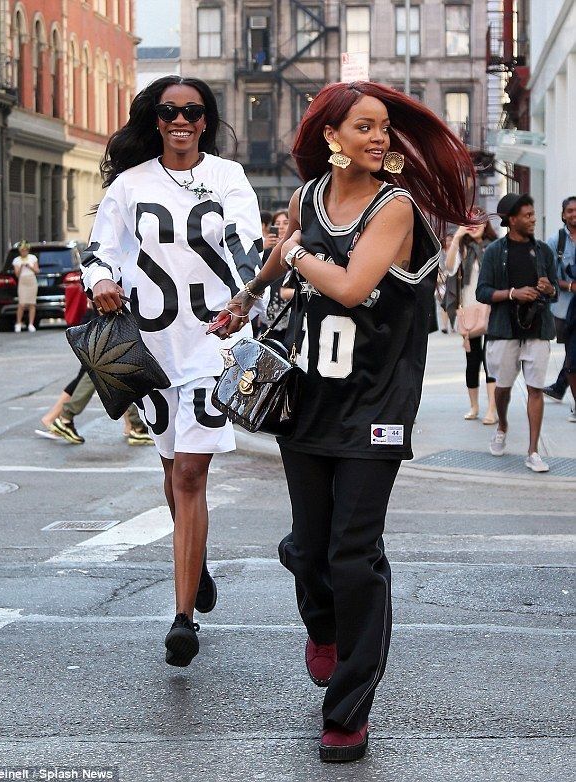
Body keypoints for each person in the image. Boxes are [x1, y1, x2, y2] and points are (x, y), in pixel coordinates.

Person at [216, 80, 476, 763]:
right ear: (332, 136)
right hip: (308, 399)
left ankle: (348, 711)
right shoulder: (308, 199)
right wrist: (246, 297)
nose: (380, 137)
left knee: (353, 556)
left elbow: (353, 285)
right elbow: (283, 256)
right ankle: (323, 626)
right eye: (365, 126)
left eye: (384, 127)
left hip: (376, 404)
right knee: (308, 548)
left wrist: (297, 251)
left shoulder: (395, 207)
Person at [80, 75, 262, 667]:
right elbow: (99, 249)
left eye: (192, 111)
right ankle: (196, 559)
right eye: (168, 111)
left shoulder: (229, 178)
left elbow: (245, 247)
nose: (180, 120)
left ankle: (182, 619)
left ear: (205, 119)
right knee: (170, 474)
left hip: (214, 344)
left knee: (189, 475)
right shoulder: (130, 186)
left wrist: (245, 301)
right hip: (151, 350)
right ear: (154, 119)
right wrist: (101, 279)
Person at [476, 193, 558, 472]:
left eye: (533, 214)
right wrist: (513, 293)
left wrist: (550, 289)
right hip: (504, 330)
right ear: (512, 220)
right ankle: (502, 425)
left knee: (536, 389)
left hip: (538, 329)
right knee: (503, 388)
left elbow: (554, 293)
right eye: (527, 215)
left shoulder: (544, 251)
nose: (533, 219)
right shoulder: (495, 252)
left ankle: (533, 451)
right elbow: (482, 292)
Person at [445, 217, 498, 423]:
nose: (475, 226)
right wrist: (457, 237)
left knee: (490, 361)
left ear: (486, 225)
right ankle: (474, 407)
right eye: (470, 223)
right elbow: (449, 268)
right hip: (469, 312)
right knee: (472, 361)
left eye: (479, 222)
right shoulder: (462, 249)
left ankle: (491, 409)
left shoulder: (493, 248)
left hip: (492, 310)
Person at [544, 196, 576, 420]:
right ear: (563, 214)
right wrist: (571, 285)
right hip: (565, 309)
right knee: (572, 355)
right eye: (570, 211)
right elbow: (550, 275)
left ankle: (559, 387)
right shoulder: (556, 241)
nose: (574, 214)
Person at [263, 209, 295, 343]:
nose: (281, 227)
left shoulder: (298, 249)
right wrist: (263, 248)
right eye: (277, 223)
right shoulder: (267, 252)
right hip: (271, 318)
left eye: (286, 222)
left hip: (292, 316)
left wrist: (287, 293)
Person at [12, 241, 39, 332]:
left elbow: (37, 270)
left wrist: (29, 266)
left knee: (32, 303)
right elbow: (16, 274)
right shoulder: (17, 260)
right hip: (23, 281)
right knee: (22, 303)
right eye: (22, 250)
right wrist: (21, 266)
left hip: (31, 280)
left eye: (25, 250)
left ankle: (31, 324)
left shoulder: (32, 258)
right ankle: (18, 323)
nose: (24, 252)